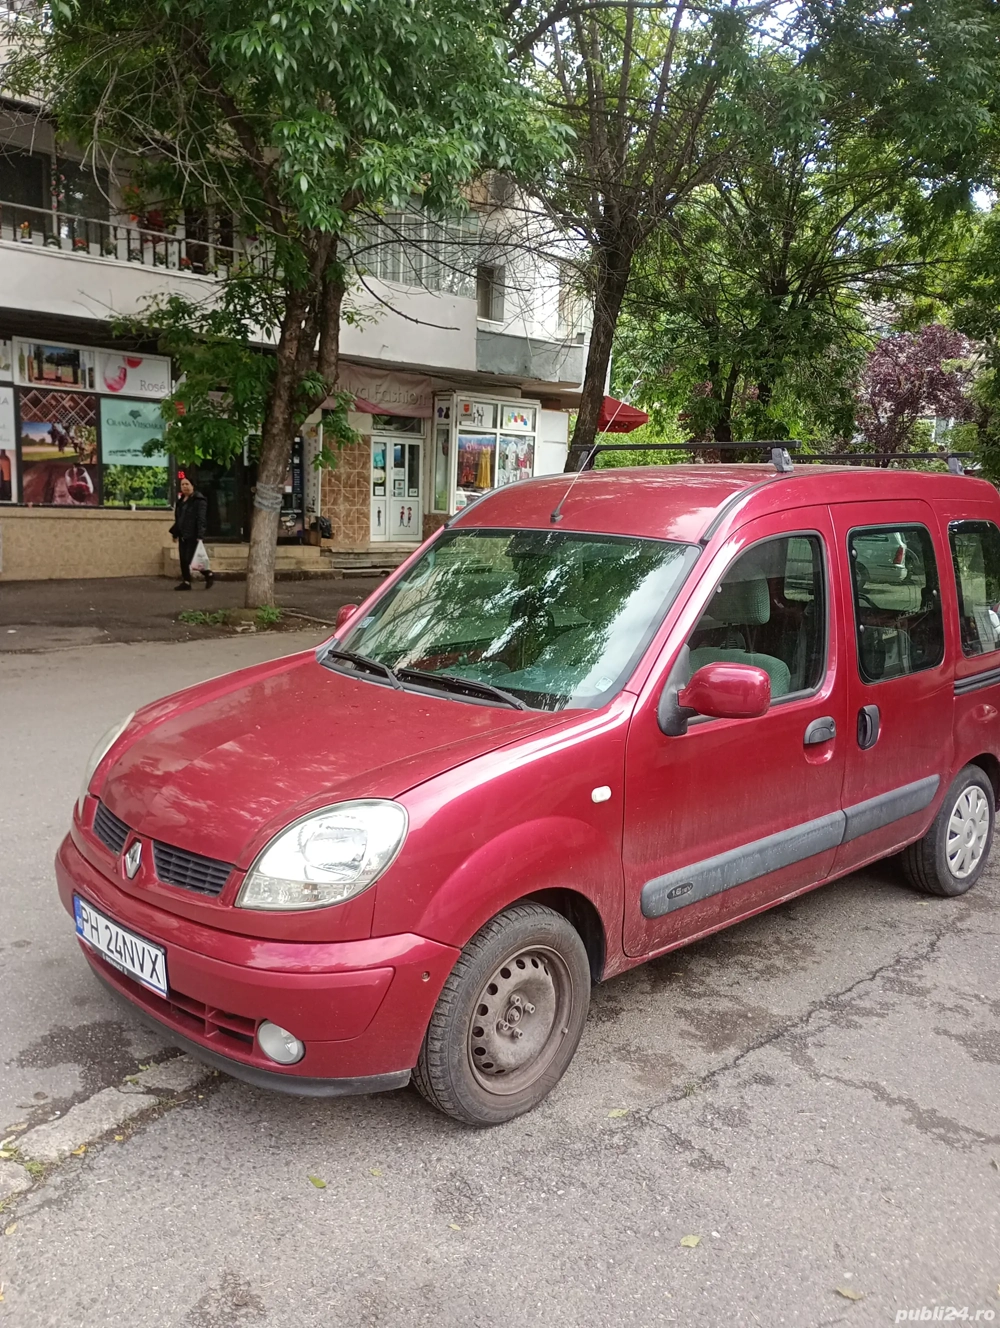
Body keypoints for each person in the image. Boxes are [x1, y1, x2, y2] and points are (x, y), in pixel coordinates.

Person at [169, 476, 213, 590]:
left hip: (193, 534)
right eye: (182, 484)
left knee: (191, 558)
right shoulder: (180, 501)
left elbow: (201, 518)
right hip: (183, 533)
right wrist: (175, 533)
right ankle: (186, 582)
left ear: (192, 486)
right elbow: (179, 519)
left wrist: (200, 535)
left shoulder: (199, 500)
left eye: (187, 484)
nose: (184, 487)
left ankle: (208, 573)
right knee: (183, 559)